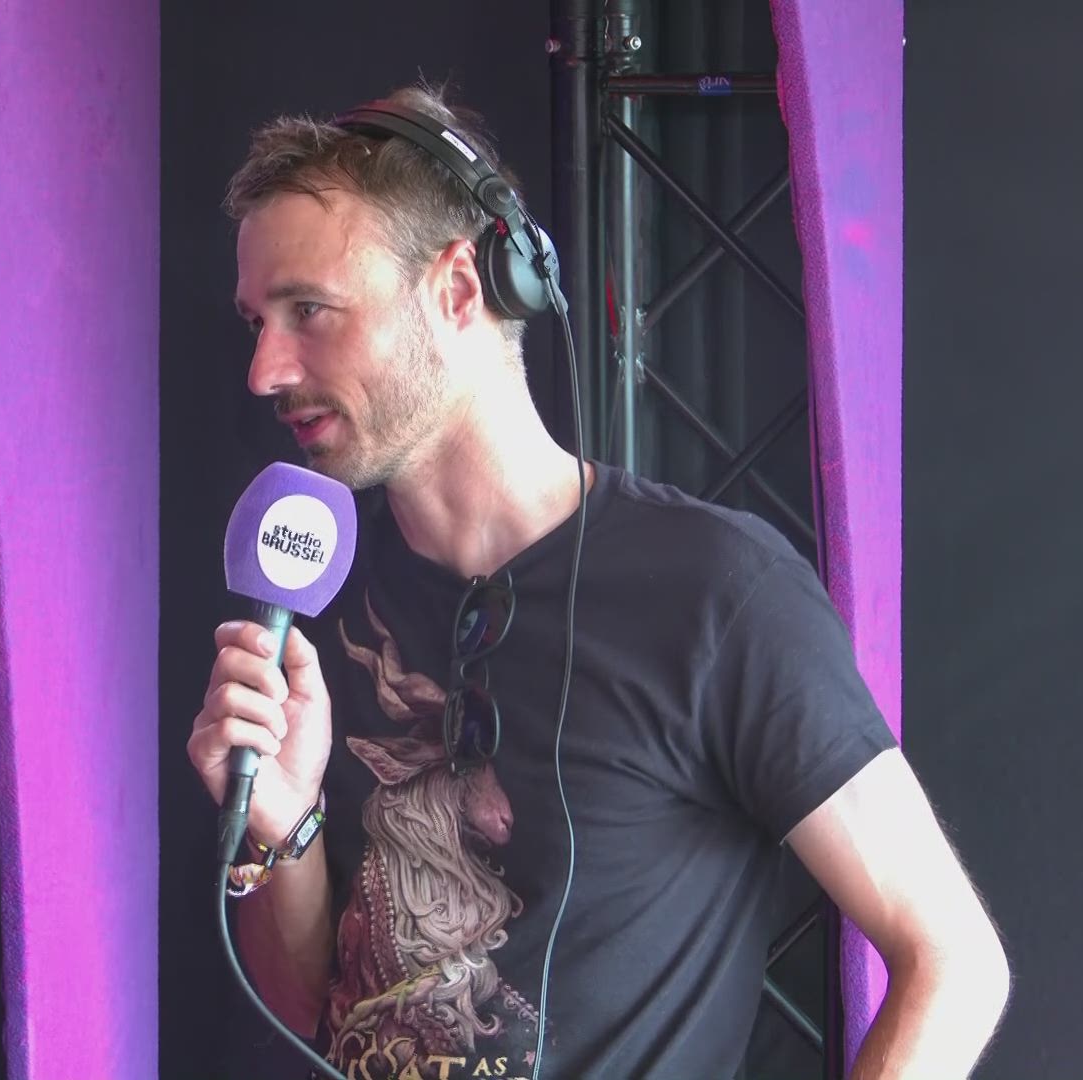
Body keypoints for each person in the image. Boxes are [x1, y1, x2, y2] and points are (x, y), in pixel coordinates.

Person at [186, 83, 1009, 1080]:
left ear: (459, 291)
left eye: (308, 311)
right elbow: (309, 1007)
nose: (265, 370)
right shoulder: (318, 602)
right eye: (257, 322)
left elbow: (953, 963)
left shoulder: (715, 592)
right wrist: (287, 828)